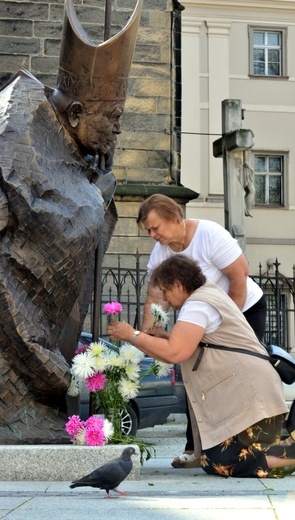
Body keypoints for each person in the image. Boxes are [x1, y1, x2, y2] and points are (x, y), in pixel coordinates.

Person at [0, 0, 142, 443]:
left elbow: (85, 203)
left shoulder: (74, 143)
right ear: (77, 113)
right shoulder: (15, 125)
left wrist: (97, 182)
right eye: (113, 118)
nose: (117, 130)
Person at [107, 255, 295, 478]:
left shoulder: (198, 305)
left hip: (253, 400)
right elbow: (199, 345)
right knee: (212, 460)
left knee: (225, 461)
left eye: (166, 292)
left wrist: (132, 335)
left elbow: (176, 352)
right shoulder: (207, 296)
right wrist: (166, 336)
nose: (166, 300)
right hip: (255, 396)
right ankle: (293, 450)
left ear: (178, 285)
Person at [137, 193, 266, 467]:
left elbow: (239, 275)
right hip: (200, 320)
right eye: (148, 230)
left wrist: (229, 323)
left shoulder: (208, 234)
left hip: (242, 311)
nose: (152, 234)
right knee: (195, 379)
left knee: (233, 379)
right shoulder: (160, 253)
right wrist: (145, 336)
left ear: (174, 218)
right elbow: (156, 299)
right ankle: (196, 448)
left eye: (155, 227)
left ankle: (244, 445)